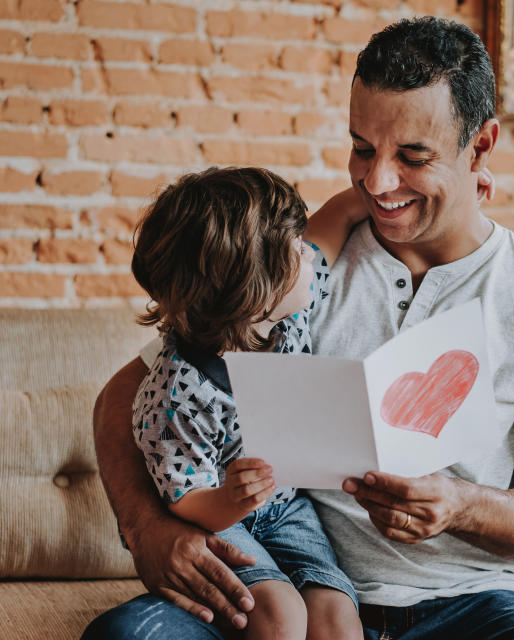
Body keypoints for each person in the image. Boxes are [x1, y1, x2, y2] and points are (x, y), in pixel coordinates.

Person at [84, 16, 514, 640]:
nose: (378, 182)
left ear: (482, 147)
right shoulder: (293, 268)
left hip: (472, 606)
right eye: (363, 148)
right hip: (287, 582)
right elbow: (128, 396)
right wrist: (147, 528)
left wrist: (461, 505)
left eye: (413, 157)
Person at [123, 166, 365, 640]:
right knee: (280, 616)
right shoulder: (176, 394)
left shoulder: (287, 314)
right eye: (296, 247)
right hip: (219, 514)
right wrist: (229, 501)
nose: (307, 249)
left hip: (289, 507)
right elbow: (186, 499)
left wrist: (370, 196)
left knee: (337, 615)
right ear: (252, 289)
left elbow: (334, 219)